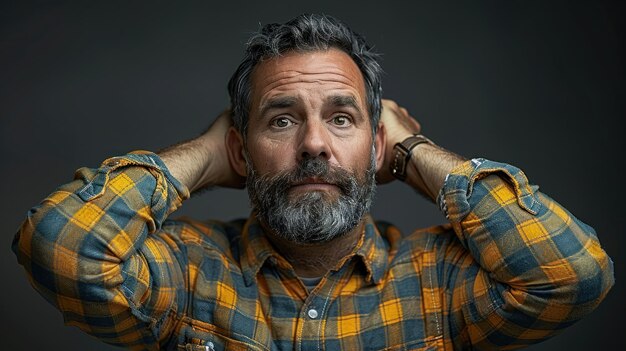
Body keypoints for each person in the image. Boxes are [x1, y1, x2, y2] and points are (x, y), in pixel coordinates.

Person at [12, 13, 613, 351]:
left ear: (374, 145)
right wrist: (202, 152)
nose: (315, 143)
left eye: (343, 118)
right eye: (280, 120)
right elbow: (60, 249)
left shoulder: (438, 283)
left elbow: (574, 276)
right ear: (241, 151)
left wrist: (413, 150)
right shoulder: (187, 272)